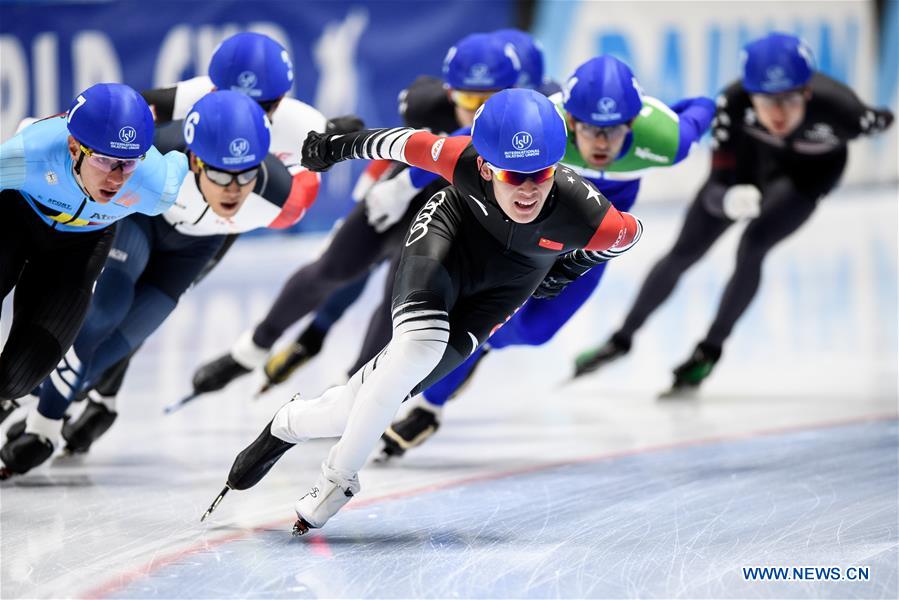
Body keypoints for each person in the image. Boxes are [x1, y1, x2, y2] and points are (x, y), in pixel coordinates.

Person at [201, 88, 642, 535]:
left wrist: (573, 265)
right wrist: (332, 150)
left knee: (362, 402)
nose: (528, 189)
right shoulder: (463, 157)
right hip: (447, 240)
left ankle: (288, 423)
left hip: (504, 288)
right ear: (486, 167)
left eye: (540, 173)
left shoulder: (590, 216)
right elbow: (397, 142)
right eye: (513, 175)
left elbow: (630, 234)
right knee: (416, 349)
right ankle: (338, 480)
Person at [380, 55, 715, 459]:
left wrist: (666, 115)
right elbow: (465, 141)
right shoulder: (544, 124)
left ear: (634, 120)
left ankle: (483, 346)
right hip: (521, 229)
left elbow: (703, 107)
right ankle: (429, 409)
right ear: (571, 122)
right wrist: (403, 184)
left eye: (614, 130)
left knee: (536, 332)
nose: (602, 144)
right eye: (591, 129)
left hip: (584, 245)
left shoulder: (666, 140)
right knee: (479, 320)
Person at [53, 32, 354, 454]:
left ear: (281, 101)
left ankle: (101, 394)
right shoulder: (191, 96)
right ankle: (67, 391)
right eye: (230, 99)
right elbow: (95, 120)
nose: (243, 115)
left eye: (263, 107)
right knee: (111, 300)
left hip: (214, 224)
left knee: (143, 310)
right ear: (212, 90)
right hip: (156, 210)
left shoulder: (305, 126)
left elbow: (296, 202)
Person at [0, 90, 318, 478]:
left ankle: (64, 400)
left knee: (50, 367)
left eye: (245, 175)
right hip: (63, 224)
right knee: (107, 307)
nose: (232, 188)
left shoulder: (165, 183)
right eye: (217, 173)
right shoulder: (36, 156)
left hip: (126, 250)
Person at [189, 32, 522, 397]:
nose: (478, 111)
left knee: (401, 299)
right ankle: (252, 349)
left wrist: (406, 183)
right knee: (332, 267)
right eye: (469, 98)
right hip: (398, 200)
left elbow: (467, 140)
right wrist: (375, 179)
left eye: (488, 101)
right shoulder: (424, 105)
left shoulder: (522, 122)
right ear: (447, 93)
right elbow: (399, 141)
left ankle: (353, 390)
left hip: (452, 211)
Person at [573, 32, 894, 394]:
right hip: (748, 166)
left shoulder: (845, 112)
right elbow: (717, 187)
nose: (777, 113)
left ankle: (709, 350)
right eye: (765, 100)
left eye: (788, 99)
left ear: (806, 93)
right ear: (750, 94)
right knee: (685, 250)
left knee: (752, 246)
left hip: (808, 177)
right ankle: (620, 339)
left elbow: (885, 119)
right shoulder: (733, 102)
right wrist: (727, 199)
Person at [0, 83, 186, 420]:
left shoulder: (155, 188)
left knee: (16, 381)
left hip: (78, 248)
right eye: (104, 160)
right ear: (74, 147)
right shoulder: (28, 155)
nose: (116, 178)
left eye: (128, 164)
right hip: (14, 219)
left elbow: (182, 157)